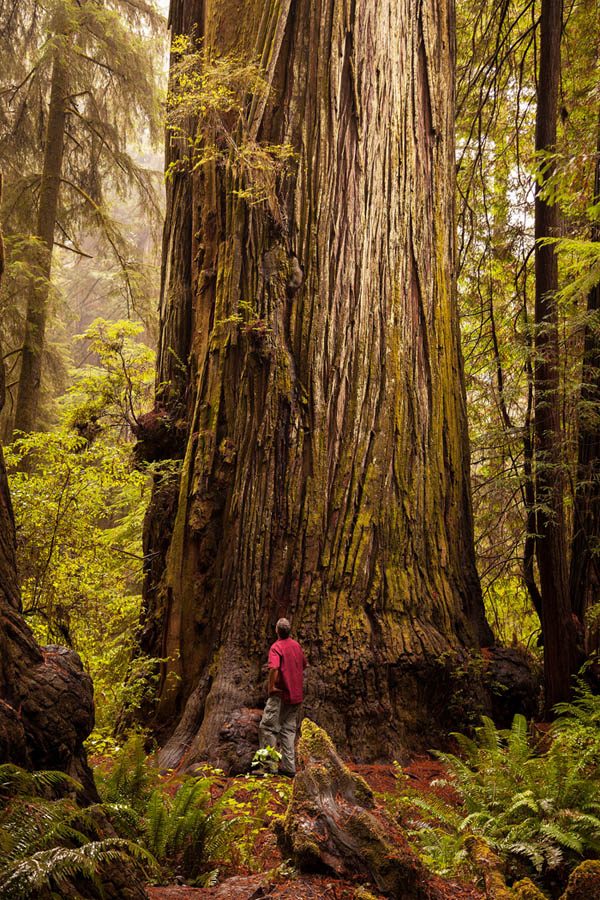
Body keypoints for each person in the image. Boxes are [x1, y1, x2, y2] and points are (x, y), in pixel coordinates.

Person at [258, 617, 307, 776]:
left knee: (268, 728)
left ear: (277, 631)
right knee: (288, 730)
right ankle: (289, 767)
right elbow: (304, 664)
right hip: (296, 696)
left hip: (280, 694)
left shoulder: (276, 647)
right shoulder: (297, 646)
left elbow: (274, 668)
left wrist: (271, 686)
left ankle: (269, 767)